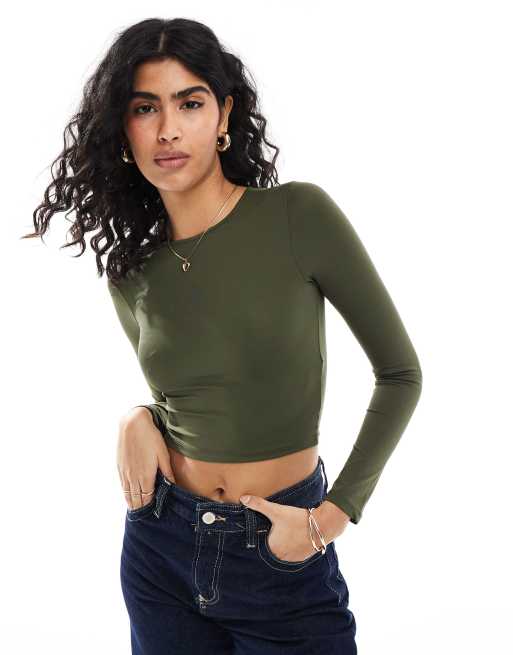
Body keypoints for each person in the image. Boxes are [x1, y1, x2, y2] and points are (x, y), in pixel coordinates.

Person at [26, 17, 422, 655]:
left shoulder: (297, 216)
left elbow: (401, 374)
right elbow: (194, 392)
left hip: (281, 547)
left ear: (224, 114)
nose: (168, 129)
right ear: (122, 130)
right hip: (161, 546)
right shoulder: (132, 271)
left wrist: (329, 518)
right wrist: (138, 417)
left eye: (190, 103)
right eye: (145, 108)